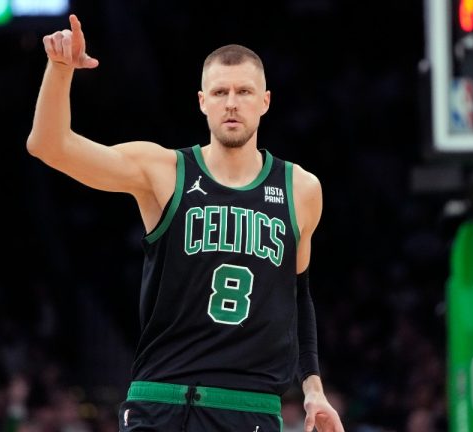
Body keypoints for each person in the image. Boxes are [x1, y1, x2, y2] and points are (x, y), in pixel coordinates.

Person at [26, 14, 345, 432]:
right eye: (220, 91)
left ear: (265, 101)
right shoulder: (165, 169)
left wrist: (313, 388)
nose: (232, 102)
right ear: (202, 101)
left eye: (244, 91)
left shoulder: (301, 188)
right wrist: (60, 68)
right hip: (162, 401)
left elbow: (299, 298)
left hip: (250, 407)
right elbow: (49, 145)